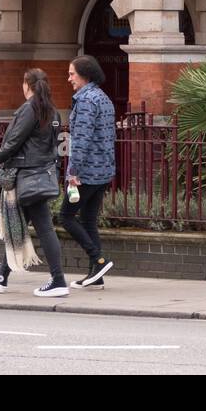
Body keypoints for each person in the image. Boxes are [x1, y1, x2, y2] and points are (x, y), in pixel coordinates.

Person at [0, 69, 69, 298]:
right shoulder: (52, 111)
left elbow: (12, 144)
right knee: (18, 226)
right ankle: (2, 275)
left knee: (41, 227)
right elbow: (53, 146)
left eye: (22, 83)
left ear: (27, 85)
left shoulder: (30, 109)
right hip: (41, 175)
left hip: (27, 178)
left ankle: (58, 280)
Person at [60, 55, 115, 287]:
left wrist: (73, 172)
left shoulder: (85, 101)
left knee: (66, 216)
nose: (69, 78)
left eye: (72, 73)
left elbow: (81, 140)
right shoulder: (103, 97)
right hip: (103, 170)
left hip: (86, 172)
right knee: (89, 219)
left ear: (85, 74)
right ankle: (97, 276)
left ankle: (99, 260)